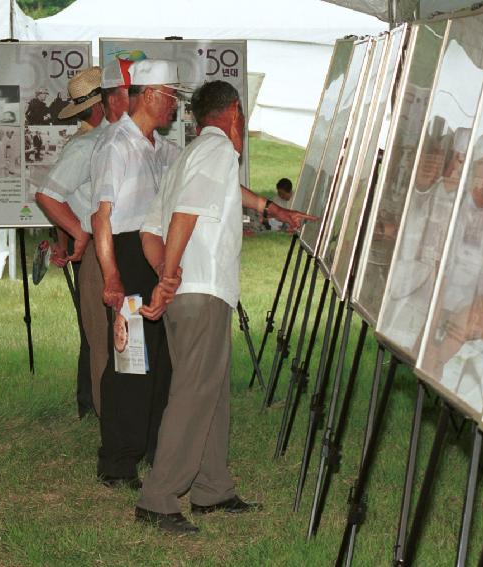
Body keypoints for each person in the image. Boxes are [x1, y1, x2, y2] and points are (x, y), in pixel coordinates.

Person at [135, 80, 315, 533]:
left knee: (209, 391)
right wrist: (170, 278)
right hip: (201, 291)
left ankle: (211, 488)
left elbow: (149, 229)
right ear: (235, 111)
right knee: (194, 394)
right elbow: (183, 217)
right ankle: (158, 497)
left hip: (188, 293)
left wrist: (166, 276)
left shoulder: (189, 158)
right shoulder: (217, 153)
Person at [89, 58, 182, 489]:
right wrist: (111, 276)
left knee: (157, 360)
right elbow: (101, 217)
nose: (175, 108)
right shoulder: (116, 145)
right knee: (130, 361)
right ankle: (117, 462)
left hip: (152, 253)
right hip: (126, 254)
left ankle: (147, 446)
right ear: (149, 95)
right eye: (171, 98)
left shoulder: (159, 147)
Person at [35, 66, 116, 420]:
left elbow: (69, 200)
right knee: (100, 336)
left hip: (102, 247)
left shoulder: (96, 140)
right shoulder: (87, 145)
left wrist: (66, 240)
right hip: (100, 249)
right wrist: (78, 235)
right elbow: (50, 196)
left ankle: (95, 404)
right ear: (102, 105)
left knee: (98, 334)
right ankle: (101, 408)